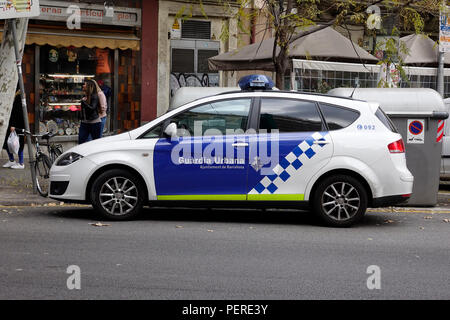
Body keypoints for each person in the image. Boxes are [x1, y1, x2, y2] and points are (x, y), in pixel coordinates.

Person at [2, 90, 26, 169]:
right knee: (8, 143)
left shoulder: (18, 99)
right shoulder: (16, 98)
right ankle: (12, 160)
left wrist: (13, 125)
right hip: (14, 125)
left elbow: (17, 114)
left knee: (19, 144)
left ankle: (21, 163)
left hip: (17, 126)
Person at [78, 80, 102, 144]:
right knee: (81, 142)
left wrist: (83, 103)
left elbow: (92, 108)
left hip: (94, 123)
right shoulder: (85, 97)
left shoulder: (94, 96)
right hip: (84, 123)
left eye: (85, 84)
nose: (83, 85)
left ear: (89, 86)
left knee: (96, 143)